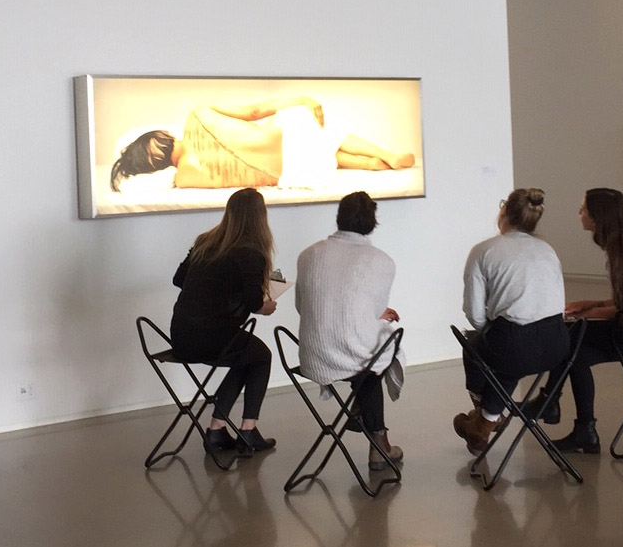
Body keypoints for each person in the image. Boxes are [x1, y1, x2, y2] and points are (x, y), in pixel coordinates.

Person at [523, 187, 623, 454]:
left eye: (583, 209)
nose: (579, 213)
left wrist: (586, 314)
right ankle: (580, 428)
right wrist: (593, 304)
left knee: (570, 336)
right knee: (577, 354)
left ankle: (550, 402)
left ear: (598, 218)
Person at [452, 188, 571, 456]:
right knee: (507, 355)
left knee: (476, 345)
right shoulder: (547, 250)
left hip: (514, 347)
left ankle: (484, 419)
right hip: (557, 346)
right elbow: (558, 304)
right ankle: (487, 418)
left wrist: (493, 332)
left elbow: (474, 314)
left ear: (503, 210)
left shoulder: (484, 250)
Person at [295, 191, 405, 471]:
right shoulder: (382, 261)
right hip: (351, 357)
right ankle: (379, 444)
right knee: (378, 354)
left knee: (368, 351)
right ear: (372, 222)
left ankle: (361, 414)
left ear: (339, 218)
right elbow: (376, 310)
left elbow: (301, 306)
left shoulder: (308, 254)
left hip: (314, 354)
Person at [109, 97, 416, 192]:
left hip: (294, 175)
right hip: (287, 135)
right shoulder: (196, 115)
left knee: (323, 155)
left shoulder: (185, 178)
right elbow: (254, 113)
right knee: (328, 136)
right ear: (159, 137)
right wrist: (301, 101)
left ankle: (370, 164)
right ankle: (384, 155)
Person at [170, 188, 278, 454]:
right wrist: (267, 307)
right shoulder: (251, 253)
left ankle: (217, 430)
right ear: (260, 217)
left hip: (181, 336)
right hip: (212, 338)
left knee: (246, 356)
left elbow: (178, 280)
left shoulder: (205, 241)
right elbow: (255, 304)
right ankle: (248, 430)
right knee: (261, 356)